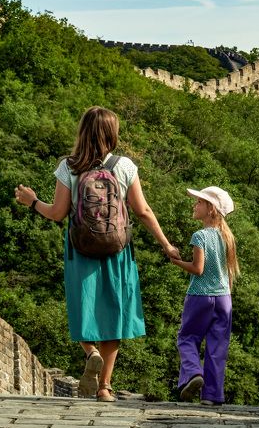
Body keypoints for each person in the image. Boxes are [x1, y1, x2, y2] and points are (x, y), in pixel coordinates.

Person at [14, 106, 180, 402]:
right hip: (117, 249)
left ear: (83, 131)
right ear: (112, 134)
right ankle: (105, 388)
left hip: (81, 248)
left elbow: (57, 213)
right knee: (114, 314)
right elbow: (142, 210)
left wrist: (32, 201)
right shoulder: (125, 166)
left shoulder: (69, 166)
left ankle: (90, 352)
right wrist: (166, 244)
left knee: (82, 308)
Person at [170, 186, 239, 406]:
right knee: (218, 347)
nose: (194, 205)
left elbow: (198, 269)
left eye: (199, 202)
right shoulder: (228, 237)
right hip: (224, 298)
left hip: (200, 295)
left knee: (187, 338)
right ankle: (212, 396)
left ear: (210, 209)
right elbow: (228, 273)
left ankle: (192, 373)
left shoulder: (199, 236)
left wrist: (176, 261)